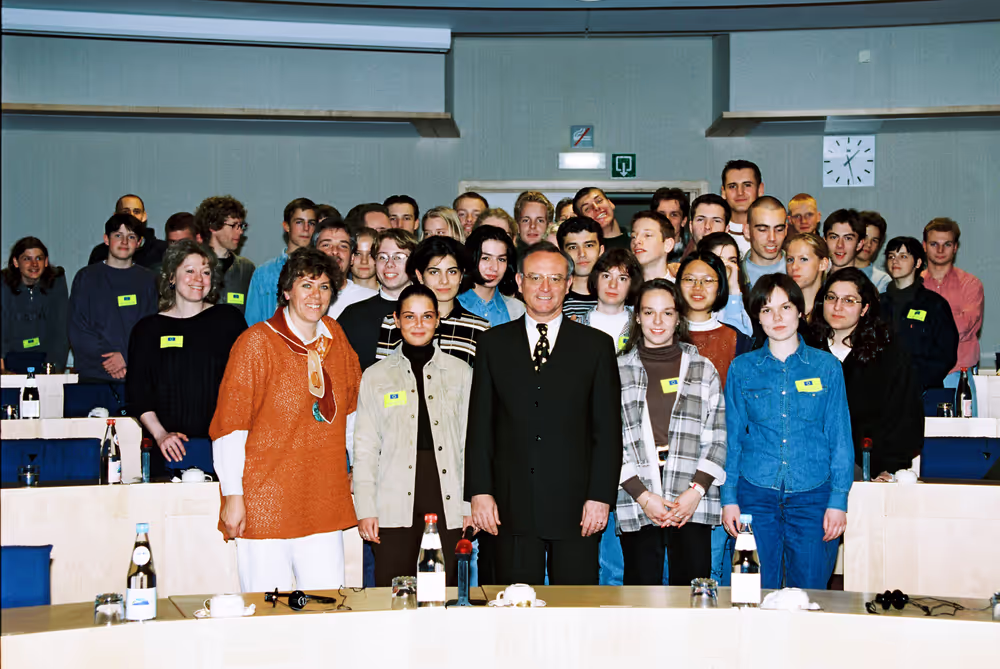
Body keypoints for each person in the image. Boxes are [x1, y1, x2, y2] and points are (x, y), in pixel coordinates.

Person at [465, 242, 623, 585]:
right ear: (519, 281)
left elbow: (607, 431)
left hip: (577, 506)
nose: (545, 288)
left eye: (555, 278)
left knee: (577, 610)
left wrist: (599, 496)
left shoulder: (595, 346)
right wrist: (480, 493)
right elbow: (480, 427)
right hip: (509, 506)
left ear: (569, 284)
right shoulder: (493, 344)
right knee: (512, 610)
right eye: (535, 278)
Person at [211, 248, 360, 592]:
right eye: (306, 285)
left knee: (326, 606)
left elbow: (354, 412)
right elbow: (231, 427)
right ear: (287, 291)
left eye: (324, 287)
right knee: (267, 611)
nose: (315, 296)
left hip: (323, 496)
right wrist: (233, 495)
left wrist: (361, 470)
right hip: (266, 499)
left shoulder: (336, 339)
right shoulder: (256, 343)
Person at [721, 274, 853, 590]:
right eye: (767, 310)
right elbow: (732, 438)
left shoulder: (827, 367)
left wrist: (838, 500)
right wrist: (729, 497)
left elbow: (839, 437)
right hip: (753, 495)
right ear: (757, 317)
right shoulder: (741, 368)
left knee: (807, 593)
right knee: (748, 591)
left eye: (786, 307)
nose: (777, 317)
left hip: (813, 497)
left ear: (800, 311)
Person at [353, 284, 474, 586]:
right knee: (394, 592)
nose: (418, 325)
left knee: (444, 593)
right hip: (393, 499)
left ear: (437, 321)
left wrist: (470, 505)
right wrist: (366, 508)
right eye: (409, 316)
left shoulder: (462, 372)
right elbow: (365, 448)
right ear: (396, 320)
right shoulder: (375, 376)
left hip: (447, 496)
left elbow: (470, 444)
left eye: (426, 316)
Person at [615, 279, 727, 586]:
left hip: (691, 499)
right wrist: (643, 495)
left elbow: (717, 436)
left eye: (667, 313)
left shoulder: (703, 369)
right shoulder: (616, 371)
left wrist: (696, 491)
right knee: (640, 597)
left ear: (679, 317)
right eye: (649, 312)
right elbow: (610, 441)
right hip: (638, 497)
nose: (658, 321)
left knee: (694, 597)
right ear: (636, 316)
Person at [127, 241, 246, 477]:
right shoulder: (147, 330)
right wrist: (161, 435)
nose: (198, 279)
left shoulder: (229, 320)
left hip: (224, 447)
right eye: (189, 270)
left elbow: (247, 383)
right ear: (171, 277)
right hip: (169, 449)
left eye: (206, 272)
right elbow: (138, 394)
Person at [810, 268, 923, 481]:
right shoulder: (804, 350)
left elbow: (905, 420)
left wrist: (888, 468)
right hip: (808, 465)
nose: (837, 307)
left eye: (849, 301)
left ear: (865, 309)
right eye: (831, 298)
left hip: (869, 467)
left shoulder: (888, 355)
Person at [69, 213, 157, 383]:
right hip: (94, 375)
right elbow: (78, 328)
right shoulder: (86, 278)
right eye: (118, 235)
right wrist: (109, 360)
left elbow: (152, 327)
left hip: (137, 374)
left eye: (131, 237)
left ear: (139, 243)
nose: (124, 242)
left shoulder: (149, 280)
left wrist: (125, 356)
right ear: (106, 239)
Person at [376, 236, 490, 366]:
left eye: (452, 272)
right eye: (434, 272)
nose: (444, 280)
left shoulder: (479, 328)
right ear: (420, 276)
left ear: (461, 276)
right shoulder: (393, 323)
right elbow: (382, 378)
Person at [880, 237, 958, 391]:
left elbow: (946, 354)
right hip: (882, 392)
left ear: (917, 263)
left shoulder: (934, 304)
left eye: (903, 256)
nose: (895, 261)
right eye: (891, 256)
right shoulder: (877, 304)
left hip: (922, 391)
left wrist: (913, 380)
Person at [921, 218, 984, 407]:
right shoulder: (915, 285)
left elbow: (964, 327)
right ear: (924, 246)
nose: (940, 250)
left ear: (955, 247)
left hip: (958, 376)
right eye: (934, 244)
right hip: (920, 377)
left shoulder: (970, 284)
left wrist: (925, 328)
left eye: (947, 244)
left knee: (965, 436)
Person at [338, 229, 417, 370]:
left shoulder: (429, 313)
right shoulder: (352, 315)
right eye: (382, 257)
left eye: (398, 257)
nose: (389, 264)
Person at [677, 251, 752, 388]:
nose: (698, 287)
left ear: (719, 287)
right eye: (689, 279)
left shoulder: (737, 340)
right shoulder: (664, 334)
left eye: (707, 280)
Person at [245, 197, 318, 326]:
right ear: (286, 226)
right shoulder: (264, 273)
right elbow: (252, 323)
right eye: (299, 222)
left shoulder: (322, 271)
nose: (306, 228)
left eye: (311, 223)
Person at [1, 237, 69, 371]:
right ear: (16, 262)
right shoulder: (4, 283)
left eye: (39, 258)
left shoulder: (56, 282)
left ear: (46, 262)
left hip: (46, 358)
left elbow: (61, 329)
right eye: (27, 259)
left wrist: (54, 368)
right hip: (10, 356)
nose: (34, 264)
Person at [196, 195, 255, 314]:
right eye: (233, 225)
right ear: (213, 226)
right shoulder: (193, 266)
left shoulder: (246, 268)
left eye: (241, 226)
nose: (240, 231)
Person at [457, 226, 526, 326]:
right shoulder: (453, 304)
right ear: (472, 257)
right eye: (486, 258)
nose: (494, 267)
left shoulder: (518, 309)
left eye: (501, 259)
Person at [577, 248, 642, 353]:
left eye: (622, 278)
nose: (613, 285)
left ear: (632, 284)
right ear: (596, 279)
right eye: (606, 276)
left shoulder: (642, 326)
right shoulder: (576, 327)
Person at [313, 218, 377, 319]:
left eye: (343, 246)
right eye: (326, 245)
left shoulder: (371, 300)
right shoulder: (301, 298)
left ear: (352, 258)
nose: (334, 251)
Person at [87, 194, 168, 269]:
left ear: (144, 216)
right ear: (115, 215)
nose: (131, 215)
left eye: (136, 211)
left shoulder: (162, 250)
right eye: (125, 211)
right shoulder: (100, 252)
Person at [823, 208, 890, 291]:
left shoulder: (872, 285)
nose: (840, 245)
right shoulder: (817, 277)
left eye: (848, 238)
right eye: (834, 237)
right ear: (825, 241)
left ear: (859, 244)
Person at [558, 216, 604, 320]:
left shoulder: (616, 295)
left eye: (589, 245)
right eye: (573, 247)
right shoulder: (552, 299)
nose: (582, 254)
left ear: (601, 250)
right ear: (562, 253)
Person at [740, 196, 787, 291]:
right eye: (762, 230)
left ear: (786, 230)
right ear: (747, 231)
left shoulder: (800, 271)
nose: (772, 238)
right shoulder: (734, 275)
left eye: (779, 230)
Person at [720, 160, 763, 257]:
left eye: (747, 185)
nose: (740, 192)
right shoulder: (714, 232)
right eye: (732, 186)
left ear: (760, 189)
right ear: (723, 192)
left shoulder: (776, 235)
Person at [785, 233, 831, 322]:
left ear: (823, 264)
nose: (794, 267)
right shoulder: (781, 307)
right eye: (790, 260)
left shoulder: (833, 309)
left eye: (803, 259)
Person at [630, 211, 676, 282]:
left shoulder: (681, 289)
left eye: (647, 235)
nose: (636, 241)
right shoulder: (624, 288)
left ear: (668, 245)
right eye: (633, 236)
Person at [651, 187, 690, 261]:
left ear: (684, 221)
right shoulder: (643, 255)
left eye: (674, 215)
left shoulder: (692, 256)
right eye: (661, 215)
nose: (667, 219)